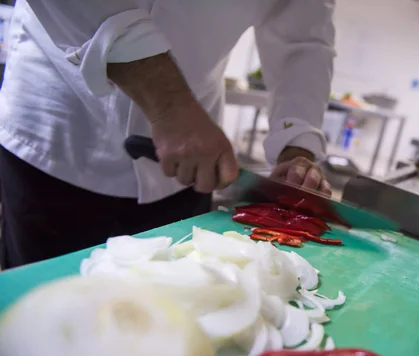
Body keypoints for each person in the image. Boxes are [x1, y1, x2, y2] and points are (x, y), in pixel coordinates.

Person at [0, 0, 335, 269]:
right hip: (58, 137)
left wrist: (297, 143)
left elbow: (303, 38)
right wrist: (170, 105)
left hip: (186, 172)